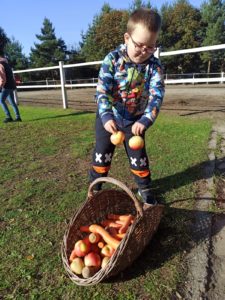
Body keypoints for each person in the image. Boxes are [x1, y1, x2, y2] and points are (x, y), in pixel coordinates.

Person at [89, 8, 165, 205]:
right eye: (140, 45)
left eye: (151, 47)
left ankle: (145, 190)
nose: (144, 51)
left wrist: (146, 119)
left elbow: (156, 97)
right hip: (109, 120)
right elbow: (102, 91)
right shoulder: (112, 60)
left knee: (139, 158)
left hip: (135, 121)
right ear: (126, 38)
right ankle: (94, 189)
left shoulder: (154, 67)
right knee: (101, 156)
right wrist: (106, 117)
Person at [0, 51, 22, 123]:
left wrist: (0, 86)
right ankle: (18, 117)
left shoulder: (0, 65)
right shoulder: (6, 64)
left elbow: (3, 79)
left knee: (1, 101)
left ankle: (9, 117)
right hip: (11, 85)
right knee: (12, 102)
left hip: (6, 86)